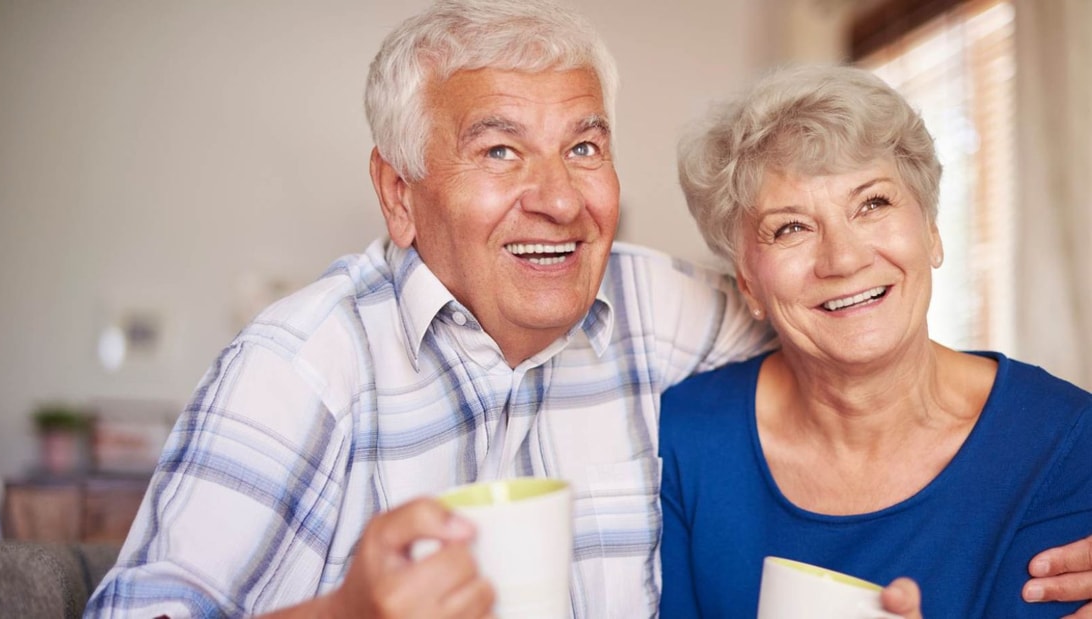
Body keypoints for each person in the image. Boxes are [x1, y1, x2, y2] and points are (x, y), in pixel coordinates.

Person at [82, 2, 1092, 617]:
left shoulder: (658, 310)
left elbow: (856, 332)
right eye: (497, 150)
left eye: (582, 145)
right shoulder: (300, 366)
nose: (558, 198)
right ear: (398, 195)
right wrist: (348, 614)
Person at [658, 63, 1092, 618]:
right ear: (749, 285)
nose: (843, 258)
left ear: (932, 231)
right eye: (790, 227)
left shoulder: (1061, 445)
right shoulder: (687, 437)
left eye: (873, 204)